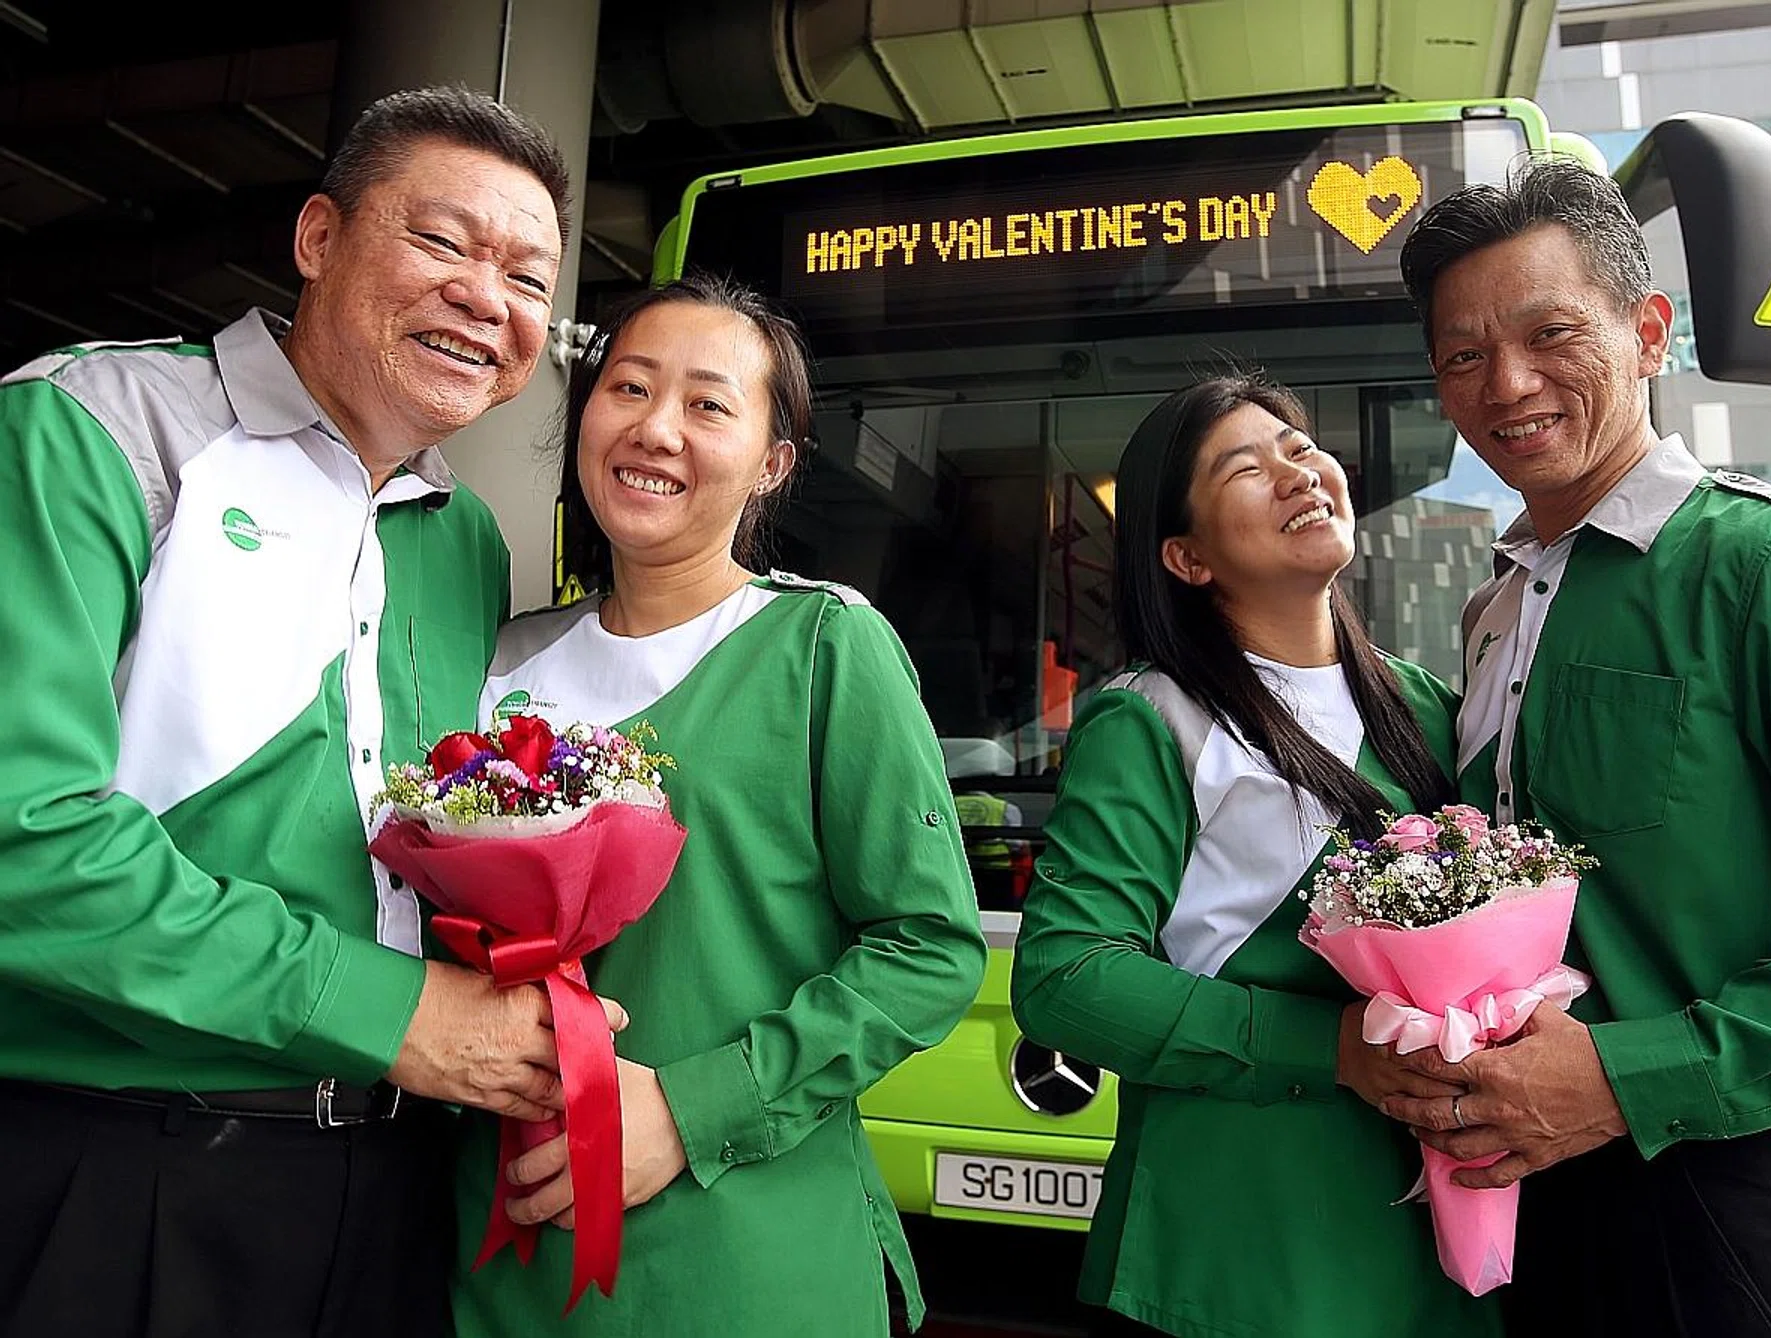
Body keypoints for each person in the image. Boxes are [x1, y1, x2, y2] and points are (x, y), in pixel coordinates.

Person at [0, 86, 622, 1338]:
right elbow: (26, 838)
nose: (488, 300)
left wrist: (540, 1012)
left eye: (528, 278)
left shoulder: (466, 544)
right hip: (119, 1164)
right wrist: (397, 1015)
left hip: (390, 1188)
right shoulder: (94, 428)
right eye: (442, 243)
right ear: (319, 239)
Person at [1382, 156, 1771, 1337]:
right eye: (1462, 356)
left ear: (1649, 331)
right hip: (1536, 1203)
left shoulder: (1770, 565)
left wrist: (1651, 1078)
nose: (1506, 385)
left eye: (1549, 334)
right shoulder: (1496, 609)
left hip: (1726, 1206)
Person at [461, 272, 988, 1335]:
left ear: (771, 464)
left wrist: (692, 1113)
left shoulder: (824, 646)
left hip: (736, 1246)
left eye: (708, 405)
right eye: (628, 389)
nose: (655, 430)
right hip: (501, 1234)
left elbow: (931, 948)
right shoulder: (499, 654)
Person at [1008, 374, 1502, 1338]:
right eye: (1246, 465)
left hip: (1439, 1215)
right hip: (1240, 1238)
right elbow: (1069, 980)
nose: (1298, 471)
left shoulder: (1429, 709)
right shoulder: (1154, 720)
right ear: (1187, 557)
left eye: (1297, 446)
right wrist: (1333, 1050)